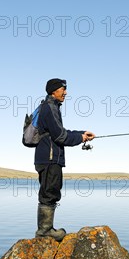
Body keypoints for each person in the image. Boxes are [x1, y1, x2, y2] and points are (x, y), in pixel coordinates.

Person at [34, 78, 95, 241]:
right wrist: (81, 138)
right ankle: (45, 231)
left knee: (50, 192)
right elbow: (60, 136)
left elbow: (59, 131)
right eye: (63, 89)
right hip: (50, 158)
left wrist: (82, 134)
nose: (66, 92)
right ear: (54, 90)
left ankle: (46, 229)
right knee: (49, 193)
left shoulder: (48, 107)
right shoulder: (50, 107)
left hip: (48, 157)